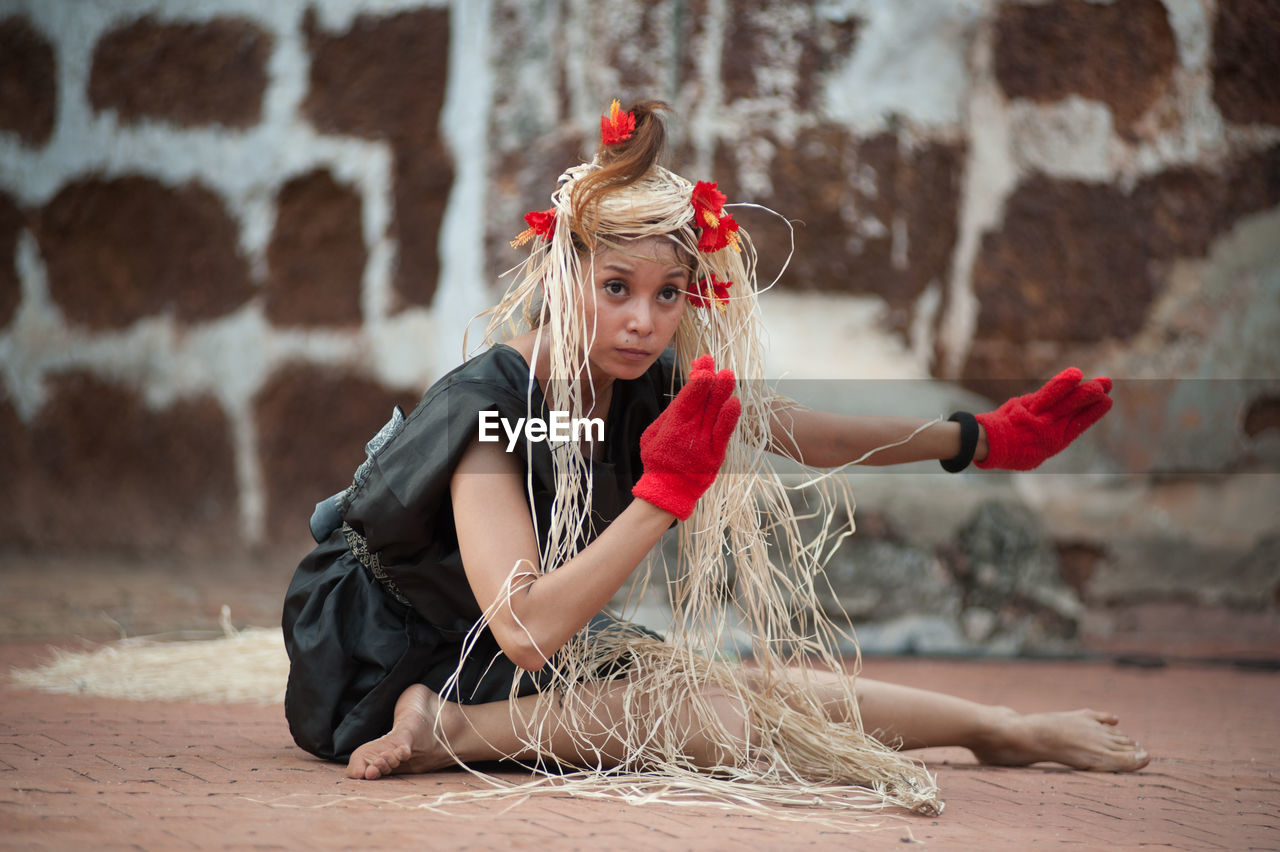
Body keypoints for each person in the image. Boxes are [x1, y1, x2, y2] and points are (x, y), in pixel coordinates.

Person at [282, 100, 1147, 817]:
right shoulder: (489, 414)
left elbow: (790, 428)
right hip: (384, 659)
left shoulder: (638, 379)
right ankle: (446, 734)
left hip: (489, 647)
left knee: (747, 689)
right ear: (559, 275)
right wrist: (665, 496)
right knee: (712, 721)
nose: (643, 321)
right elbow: (527, 630)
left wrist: (981, 439)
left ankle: (997, 728)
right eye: (615, 287)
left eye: (667, 296)